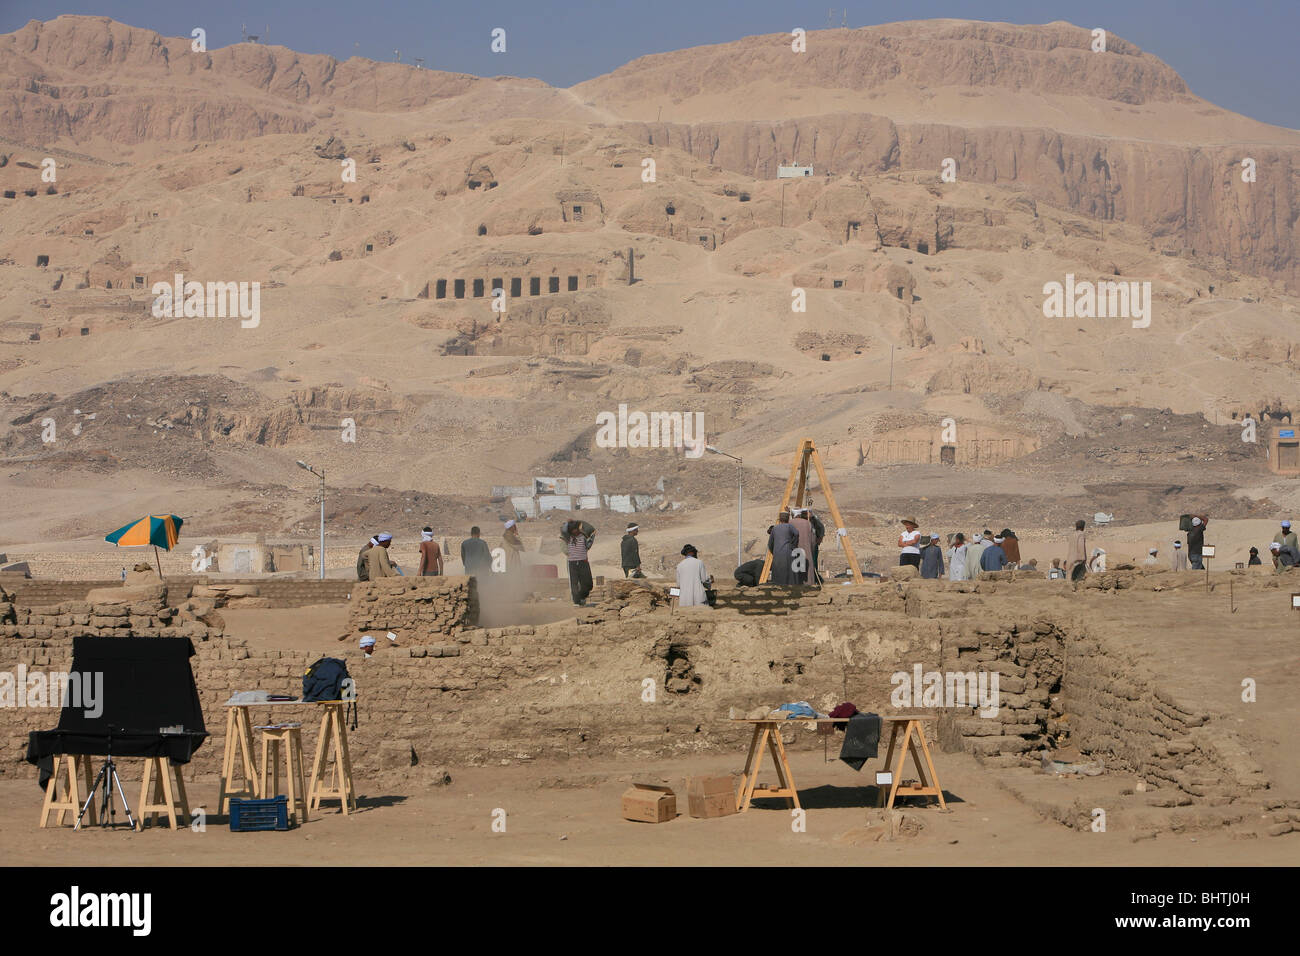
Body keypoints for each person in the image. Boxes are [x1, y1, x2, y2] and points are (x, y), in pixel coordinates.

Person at [560, 519, 595, 605]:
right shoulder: (567, 538)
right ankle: (577, 601)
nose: (576, 531)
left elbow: (591, 529)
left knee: (588, 584)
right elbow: (563, 529)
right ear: (570, 530)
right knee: (574, 584)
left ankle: (582, 596)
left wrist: (577, 521)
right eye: (573, 529)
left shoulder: (584, 536)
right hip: (572, 563)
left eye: (576, 528)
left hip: (583, 562)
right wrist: (568, 523)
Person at [768, 512, 799, 585]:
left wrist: (774, 551)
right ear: (788, 519)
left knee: (778, 571)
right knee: (789, 571)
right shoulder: (789, 526)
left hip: (777, 553)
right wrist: (793, 545)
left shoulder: (775, 528)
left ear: (780, 519)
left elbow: (770, 543)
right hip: (788, 551)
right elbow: (797, 534)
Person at [791, 508, 818, 584]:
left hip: (794, 551)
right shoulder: (808, 523)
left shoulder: (789, 523)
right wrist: (811, 550)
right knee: (807, 572)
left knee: (795, 572)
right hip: (806, 550)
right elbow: (813, 540)